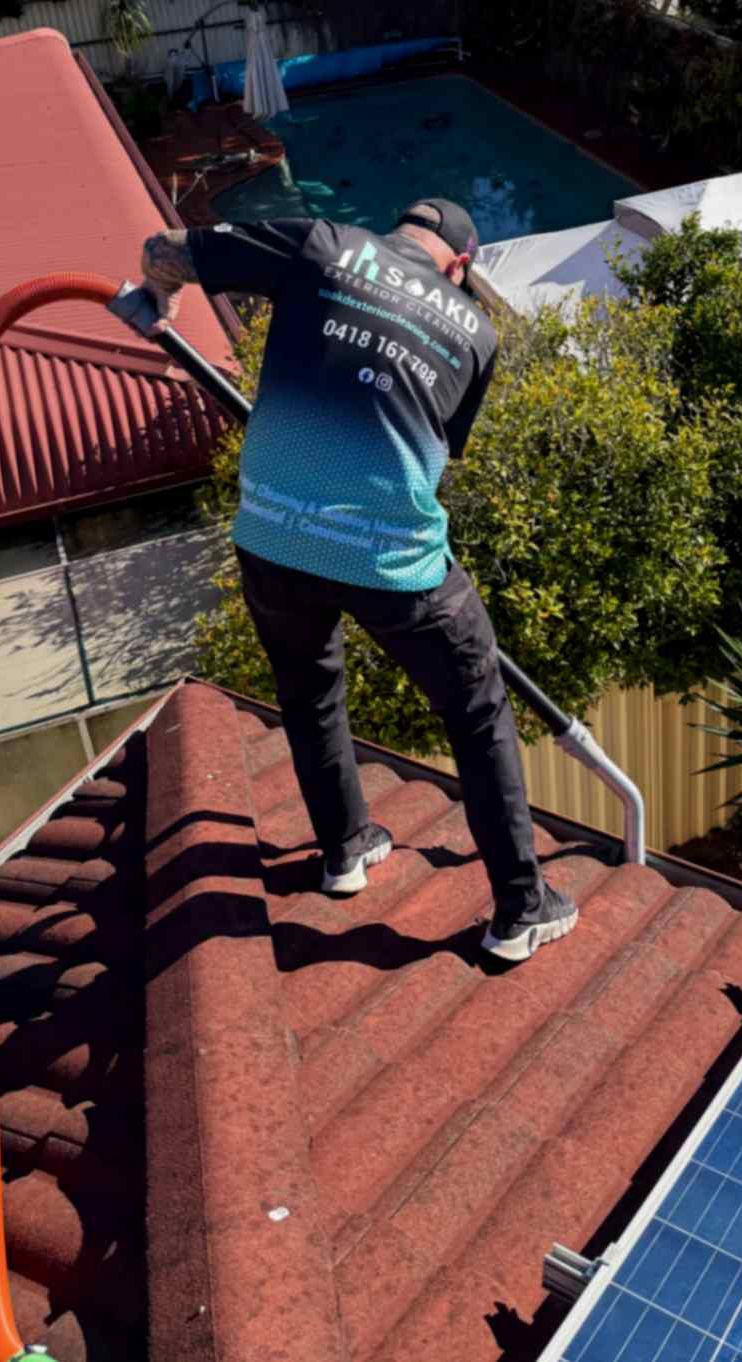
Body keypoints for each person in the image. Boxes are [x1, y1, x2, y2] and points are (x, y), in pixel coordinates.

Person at [141, 199, 577, 963]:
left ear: (398, 230)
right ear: (460, 265)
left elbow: (164, 247)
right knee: (477, 718)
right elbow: (439, 448)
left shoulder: (321, 244)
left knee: (309, 691)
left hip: (273, 536)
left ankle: (345, 849)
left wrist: (160, 299)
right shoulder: (474, 329)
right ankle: (520, 907)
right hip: (392, 561)